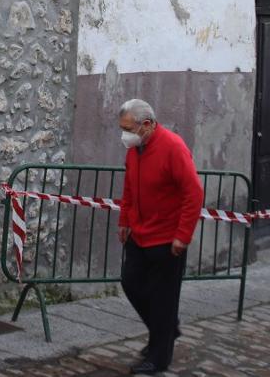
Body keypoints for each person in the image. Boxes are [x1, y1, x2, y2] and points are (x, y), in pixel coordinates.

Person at [117, 98, 204, 375]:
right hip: (139, 234)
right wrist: (124, 220)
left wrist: (183, 235)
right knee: (131, 282)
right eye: (122, 128)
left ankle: (158, 357)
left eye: (129, 128)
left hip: (167, 238)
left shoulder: (173, 147)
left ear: (147, 124)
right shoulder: (135, 151)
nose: (125, 134)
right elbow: (129, 187)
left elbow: (194, 193)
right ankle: (166, 329)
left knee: (164, 299)